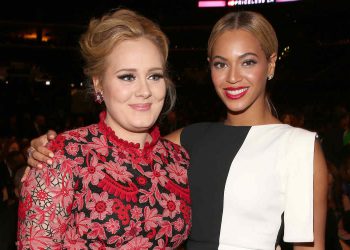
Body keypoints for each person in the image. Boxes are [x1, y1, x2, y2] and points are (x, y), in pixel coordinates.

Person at [26, 11, 328, 249]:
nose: (233, 77)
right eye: (221, 64)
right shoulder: (188, 141)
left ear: (271, 64)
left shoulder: (296, 148)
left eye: (248, 61)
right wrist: (43, 161)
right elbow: (112, 156)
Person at [18, 9, 191, 249]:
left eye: (154, 76)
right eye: (127, 77)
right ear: (99, 83)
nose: (144, 91)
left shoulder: (179, 161)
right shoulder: (60, 157)